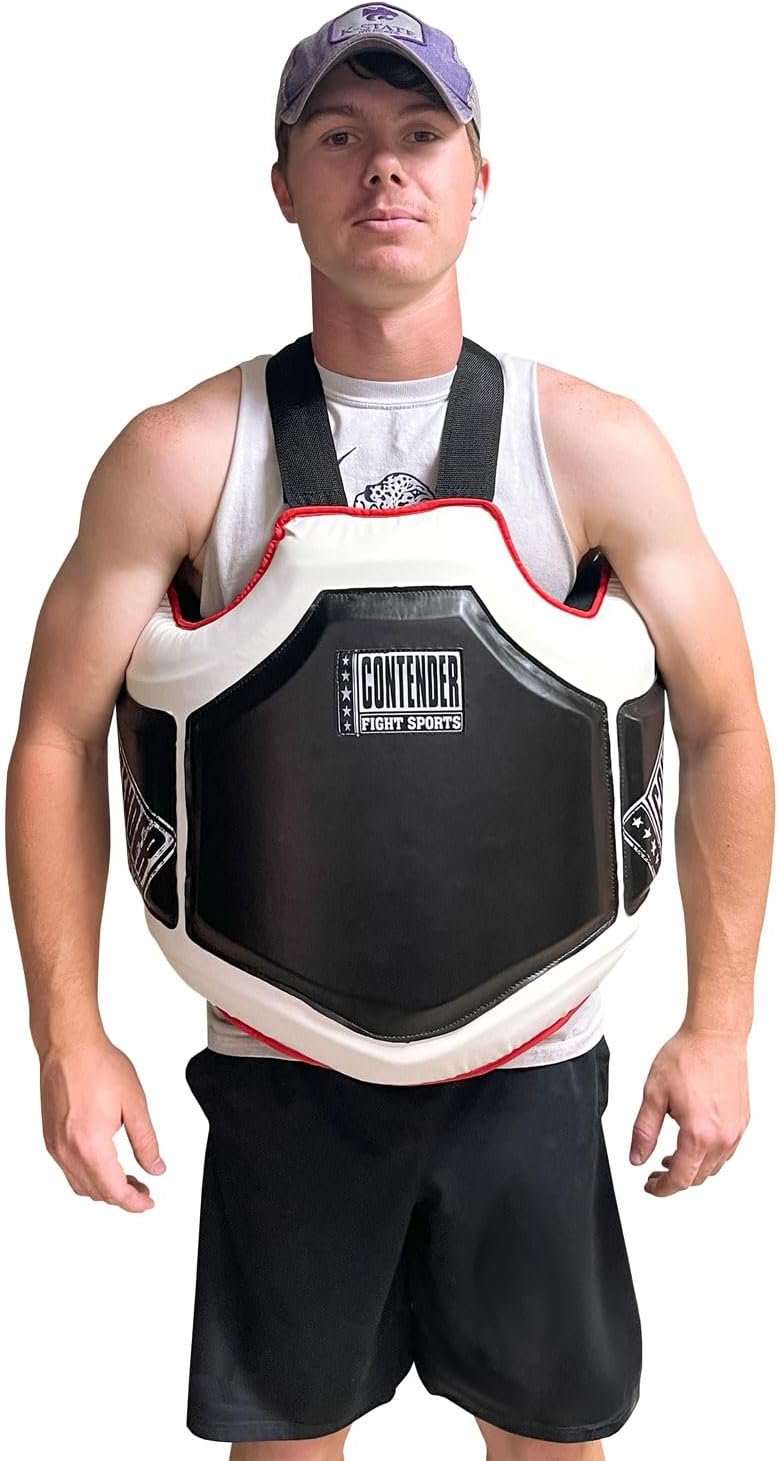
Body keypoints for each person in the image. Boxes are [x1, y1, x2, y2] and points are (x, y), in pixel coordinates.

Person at [4, 6, 773, 1459]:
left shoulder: (592, 446)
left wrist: (720, 1025)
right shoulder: (182, 454)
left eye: (422, 135)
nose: (384, 170)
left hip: (533, 1061)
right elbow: (54, 734)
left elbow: (727, 723)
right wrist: (67, 1035)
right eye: (339, 138)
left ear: (481, 177)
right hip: (283, 1067)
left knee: (551, 1444)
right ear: (281, 184)